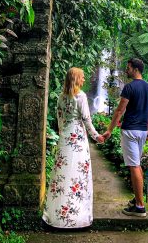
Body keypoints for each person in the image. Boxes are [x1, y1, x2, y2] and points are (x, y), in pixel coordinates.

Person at [42, 67, 104, 228]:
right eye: (82, 77)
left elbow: (60, 119)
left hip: (65, 139)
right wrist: (97, 136)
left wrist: (63, 134)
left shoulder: (61, 97)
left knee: (62, 174)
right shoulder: (81, 96)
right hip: (78, 140)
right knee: (78, 176)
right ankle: (77, 217)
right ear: (76, 78)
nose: (84, 80)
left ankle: (58, 216)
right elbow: (86, 119)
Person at [103, 58, 148, 217]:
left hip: (130, 131)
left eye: (129, 68)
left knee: (134, 166)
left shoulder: (129, 87)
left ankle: (139, 206)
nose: (126, 70)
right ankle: (137, 198)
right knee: (136, 165)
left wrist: (109, 130)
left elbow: (119, 111)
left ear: (136, 69)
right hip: (141, 132)